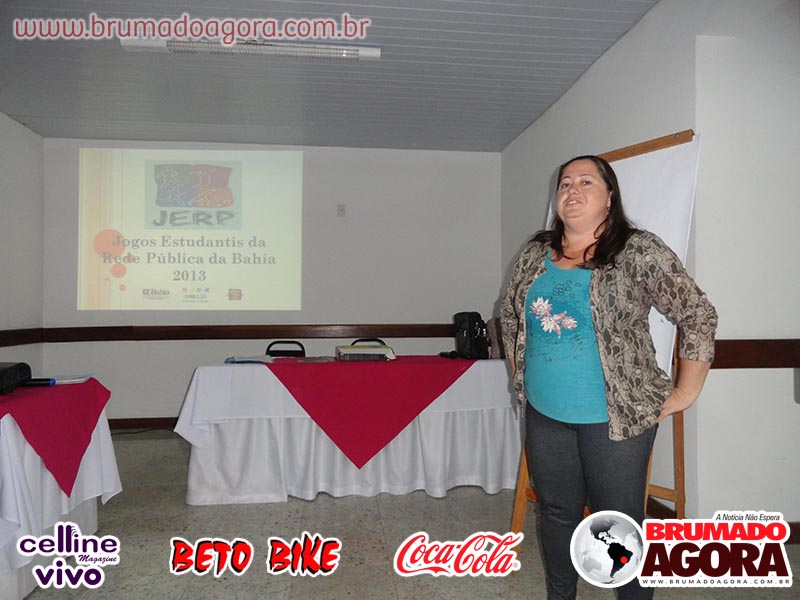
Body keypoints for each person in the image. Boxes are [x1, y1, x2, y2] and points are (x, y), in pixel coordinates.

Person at [500, 155, 717, 600]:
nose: (572, 191)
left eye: (586, 182)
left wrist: (685, 391)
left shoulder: (637, 250)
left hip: (614, 418)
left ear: (610, 196)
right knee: (556, 513)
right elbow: (509, 314)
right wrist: (521, 375)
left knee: (617, 525)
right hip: (545, 413)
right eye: (565, 183)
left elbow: (697, 314)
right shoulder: (535, 252)